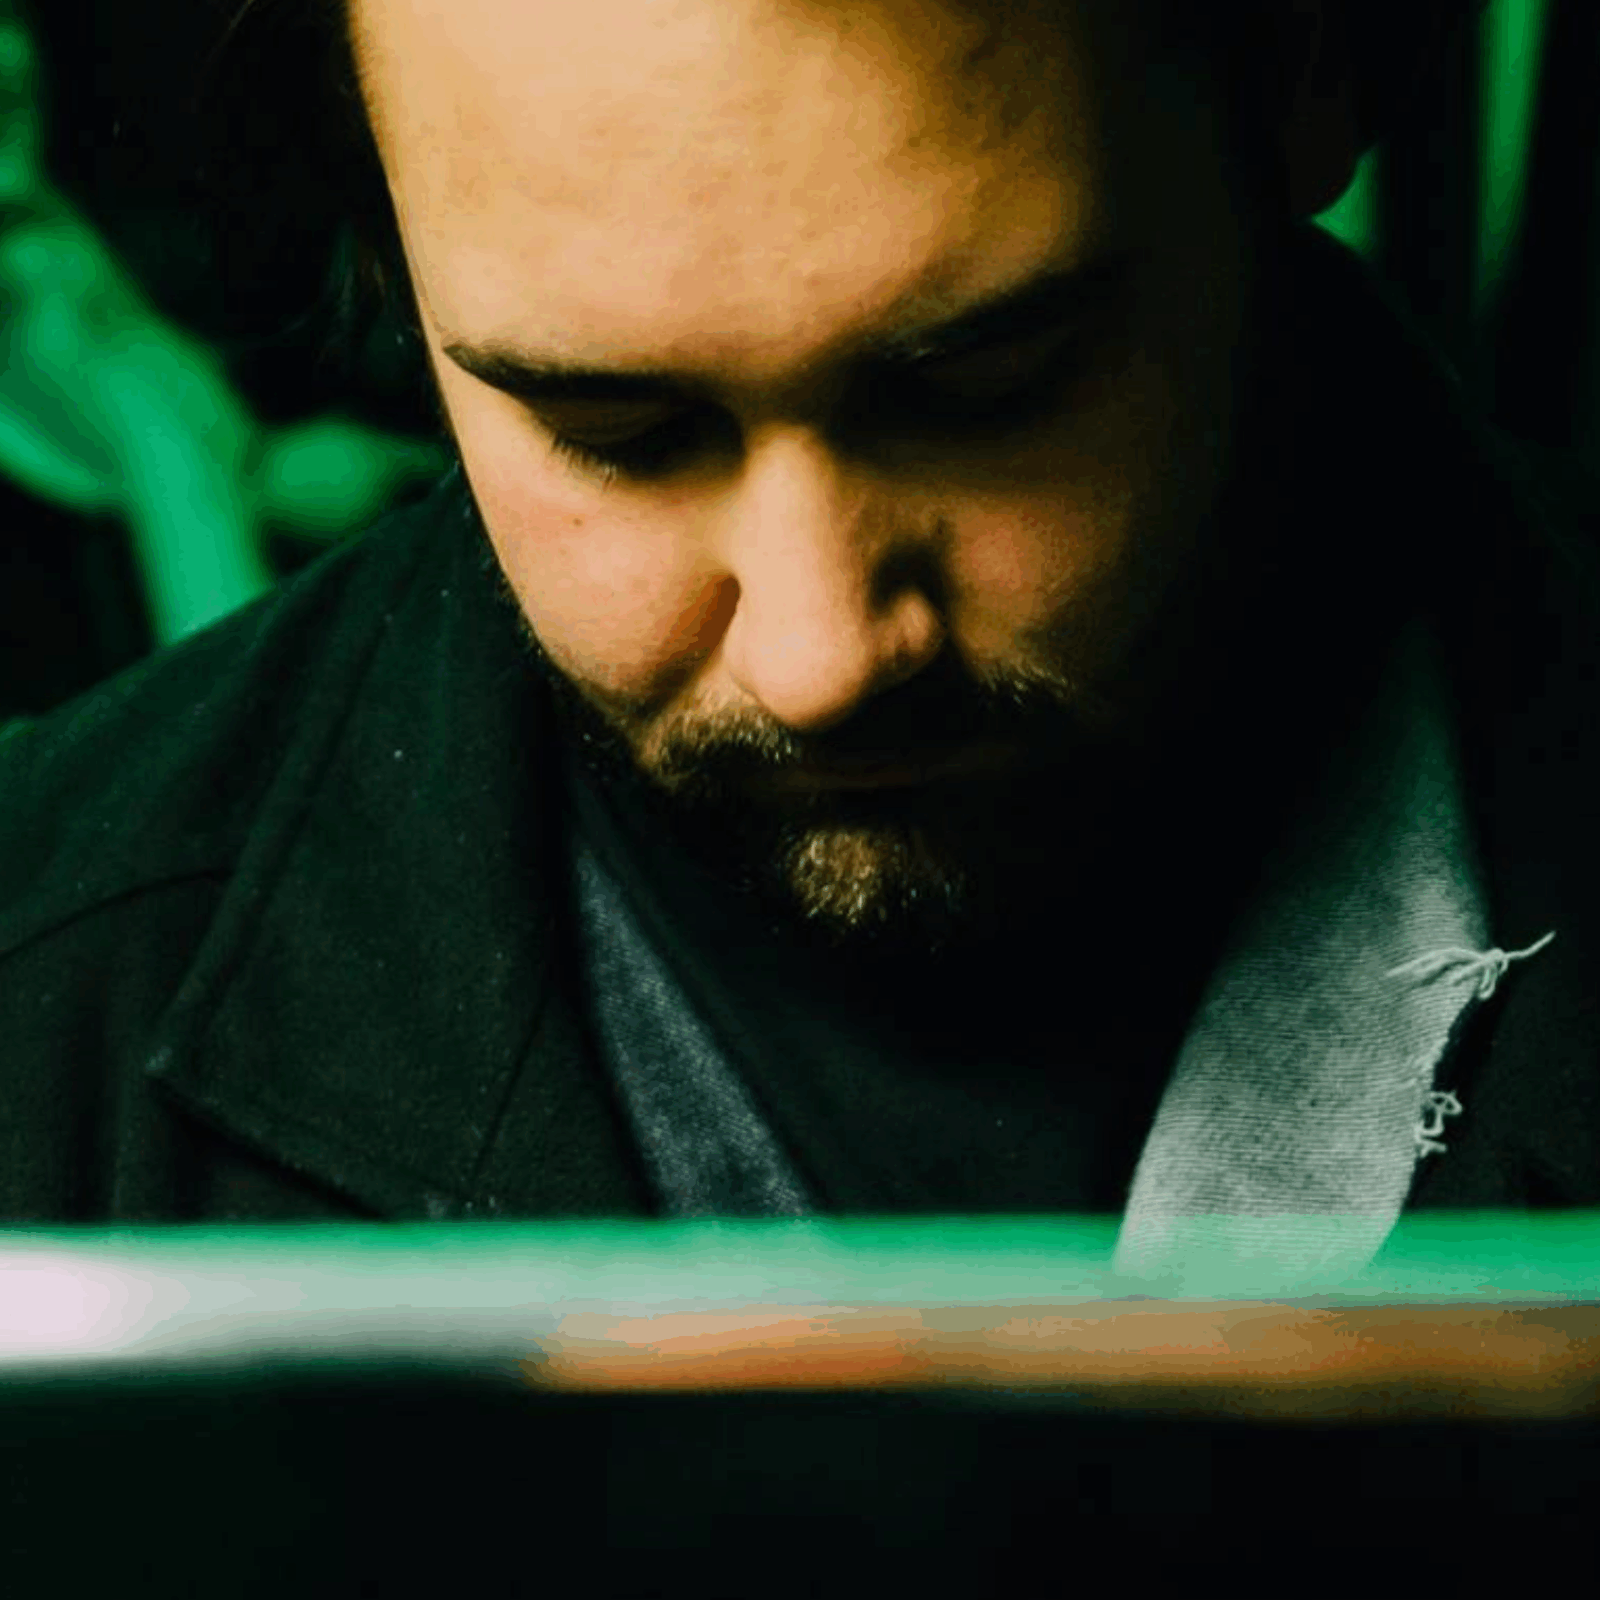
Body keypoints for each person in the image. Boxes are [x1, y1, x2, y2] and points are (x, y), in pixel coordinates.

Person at [0, 0, 1587, 1289]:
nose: (819, 659)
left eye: (985, 390)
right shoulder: (40, 1012)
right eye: (614, 431)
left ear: (1308, 78)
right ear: (384, 244)